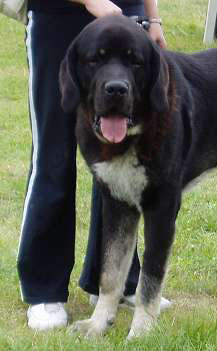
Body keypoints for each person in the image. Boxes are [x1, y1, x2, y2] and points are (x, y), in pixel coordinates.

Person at [17, 0, 169, 331]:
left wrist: (152, 18)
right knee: (53, 155)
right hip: (57, 15)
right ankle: (45, 288)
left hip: (124, 12)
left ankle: (117, 283)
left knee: (121, 161)